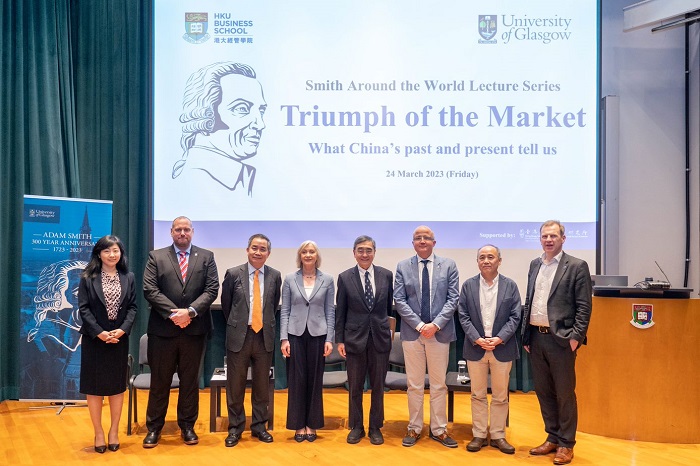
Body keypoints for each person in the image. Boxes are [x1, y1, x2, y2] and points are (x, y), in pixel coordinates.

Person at [142, 216, 219, 448]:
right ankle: (154, 428)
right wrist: (176, 314)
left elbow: (212, 288)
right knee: (160, 381)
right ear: (171, 232)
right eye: (178, 229)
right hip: (162, 331)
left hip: (194, 331)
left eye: (186, 229)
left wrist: (191, 312)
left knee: (189, 382)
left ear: (192, 232)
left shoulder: (206, 257)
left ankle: (187, 426)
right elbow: (150, 289)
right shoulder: (156, 257)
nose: (182, 233)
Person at [523, 220, 592, 465]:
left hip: (562, 340)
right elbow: (530, 300)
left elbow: (584, 306)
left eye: (553, 236)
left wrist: (576, 338)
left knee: (564, 393)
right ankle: (552, 437)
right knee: (543, 392)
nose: (548, 240)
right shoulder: (535, 264)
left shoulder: (577, 266)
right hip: (535, 337)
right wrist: (525, 335)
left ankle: (566, 444)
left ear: (563, 238)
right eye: (544, 236)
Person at [394, 225, 459, 448]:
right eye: (417, 238)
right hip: (413, 334)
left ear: (434, 242)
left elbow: (453, 299)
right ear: (413, 243)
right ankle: (414, 427)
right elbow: (399, 300)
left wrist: (435, 325)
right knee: (414, 384)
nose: (422, 241)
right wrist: (421, 325)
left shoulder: (448, 265)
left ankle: (439, 430)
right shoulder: (403, 266)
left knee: (439, 385)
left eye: (426, 238)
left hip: (439, 334)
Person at [458, 245, 521, 454]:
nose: (486, 261)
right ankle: (478, 434)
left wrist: (499, 338)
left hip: (501, 348)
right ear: (477, 262)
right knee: (477, 394)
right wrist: (477, 338)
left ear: (499, 261)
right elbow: (463, 316)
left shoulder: (510, 286)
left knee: (501, 395)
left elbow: (515, 317)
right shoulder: (468, 285)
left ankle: (497, 435)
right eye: (482, 257)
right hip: (476, 347)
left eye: (491, 257)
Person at [220, 233, 281, 447]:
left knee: (262, 386)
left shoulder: (275, 275)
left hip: (263, 336)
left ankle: (259, 427)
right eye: (254, 248)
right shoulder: (233, 273)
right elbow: (227, 306)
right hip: (240, 336)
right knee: (235, 386)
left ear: (268, 253)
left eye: (262, 249)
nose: (258, 252)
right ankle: (235, 428)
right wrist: (240, 324)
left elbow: (273, 306)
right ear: (247, 250)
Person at [79, 236, 137, 453]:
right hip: (95, 340)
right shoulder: (87, 277)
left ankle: (113, 431)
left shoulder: (128, 277)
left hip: (119, 339)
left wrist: (122, 330)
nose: (112, 255)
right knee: (94, 389)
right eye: (107, 251)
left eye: (116, 251)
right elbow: (83, 309)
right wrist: (100, 333)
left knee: (116, 388)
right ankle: (99, 432)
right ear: (99, 254)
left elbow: (132, 308)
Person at [172, 61, 266, 196]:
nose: (260, 124)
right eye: (242, 108)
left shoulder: (241, 178)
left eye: (261, 111)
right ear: (204, 115)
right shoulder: (194, 185)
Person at [335, 235, 394, 445]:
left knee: (378, 386)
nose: (364, 254)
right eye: (360, 250)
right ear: (354, 253)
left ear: (374, 252)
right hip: (354, 340)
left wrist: (388, 333)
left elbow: (389, 310)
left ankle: (375, 427)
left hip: (379, 339)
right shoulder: (344, 277)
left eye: (368, 250)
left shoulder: (386, 275)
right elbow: (340, 311)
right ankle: (357, 426)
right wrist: (340, 340)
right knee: (355, 386)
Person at [280, 240, 335, 442]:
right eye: (305, 251)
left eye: (312, 251)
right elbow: (284, 310)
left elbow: (330, 310)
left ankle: (311, 424)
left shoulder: (327, 279)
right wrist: (284, 338)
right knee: (296, 381)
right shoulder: (289, 279)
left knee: (314, 381)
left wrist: (330, 338)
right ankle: (297, 425)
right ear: (300, 255)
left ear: (316, 255)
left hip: (318, 335)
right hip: (294, 334)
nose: (308, 255)